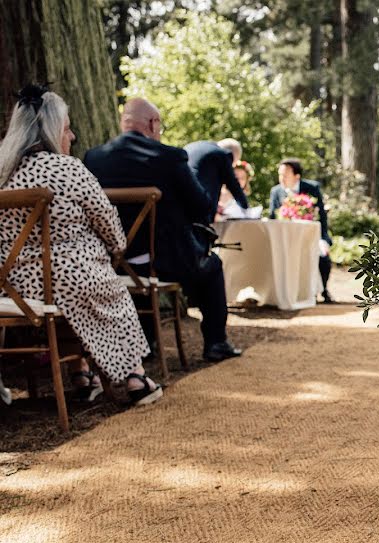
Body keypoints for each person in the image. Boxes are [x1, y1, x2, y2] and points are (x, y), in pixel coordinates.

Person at [0, 85, 161, 404]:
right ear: (52, 131)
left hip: (13, 285)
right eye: (68, 128)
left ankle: (80, 372)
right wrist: (113, 247)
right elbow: (110, 228)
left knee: (65, 290)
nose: (71, 137)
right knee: (104, 291)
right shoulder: (69, 169)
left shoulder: (3, 171)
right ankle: (134, 378)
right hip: (73, 279)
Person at [84, 98, 242, 363]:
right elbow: (201, 206)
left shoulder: (94, 158)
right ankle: (216, 342)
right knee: (211, 265)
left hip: (113, 263)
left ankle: (147, 344)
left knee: (144, 257)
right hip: (166, 263)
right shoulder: (168, 157)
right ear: (153, 123)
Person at [269, 158, 334, 304]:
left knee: (323, 257)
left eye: (285, 175)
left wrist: (323, 238)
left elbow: (322, 217)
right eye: (280, 175)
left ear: (297, 176)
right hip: (285, 238)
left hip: (311, 235)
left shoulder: (312, 188)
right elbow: (272, 217)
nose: (281, 179)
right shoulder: (276, 191)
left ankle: (323, 289)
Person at [185, 138, 249, 222]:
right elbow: (233, 185)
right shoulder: (222, 154)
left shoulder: (192, 146)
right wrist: (247, 210)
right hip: (198, 210)